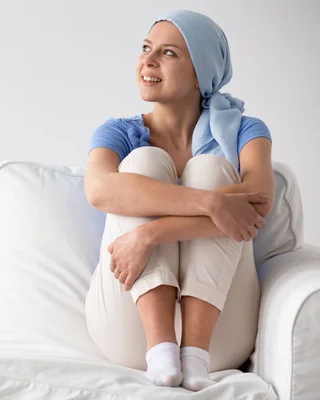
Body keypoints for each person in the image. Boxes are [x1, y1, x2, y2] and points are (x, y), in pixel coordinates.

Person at [83, 9, 275, 392]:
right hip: (128, 331)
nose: (148, 61)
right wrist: (212, 204)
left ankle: (192, 354)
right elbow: (99, 190)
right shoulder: (118, 132)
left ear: (201, 71)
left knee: (211, 168)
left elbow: (259, 204)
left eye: (168, 53)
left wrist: (151, 233)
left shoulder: (244, 131)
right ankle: (160, 348)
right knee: (144, 162)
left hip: (220, 338)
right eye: (145, 48)